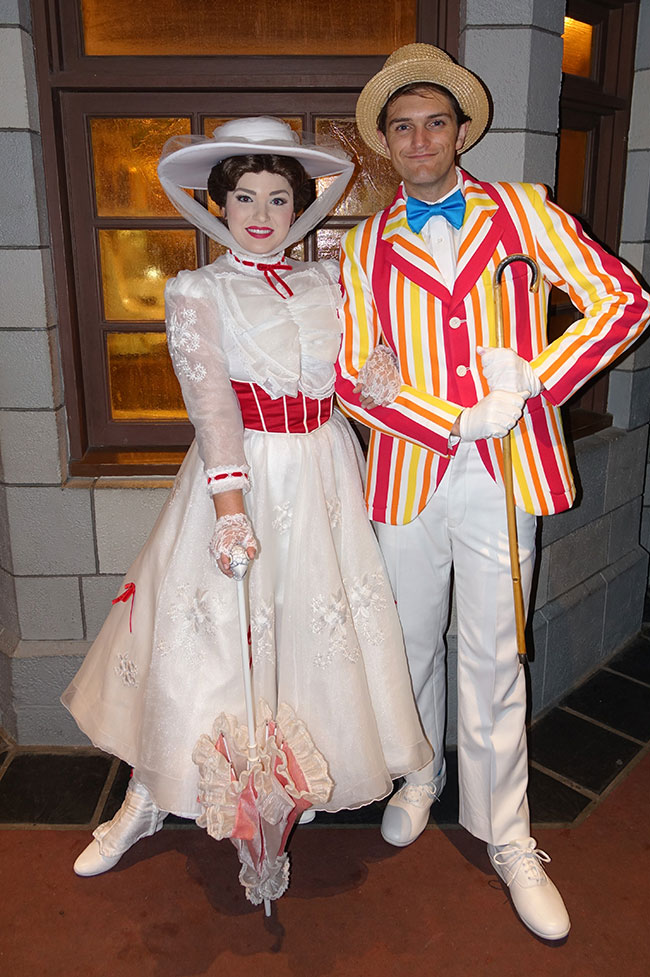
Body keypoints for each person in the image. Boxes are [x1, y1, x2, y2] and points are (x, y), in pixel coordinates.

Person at [336, 44, 650, 941]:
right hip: (409, 470)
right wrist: (449, 419)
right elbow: (357, 377)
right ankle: (418, 774)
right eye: (403, 126)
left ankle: (507, 831)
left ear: (462, 130)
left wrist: (534, 383)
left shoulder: (523, 213)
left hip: (505, 469)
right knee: (405, 640)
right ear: (386, 145)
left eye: (435, 121)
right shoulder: (363, 249)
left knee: (492, 649)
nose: (420, 137)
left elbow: (623, 303)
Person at [62, 116, 431, 878]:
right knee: (208, 644)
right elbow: (211, 403)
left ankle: (293, 786)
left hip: (326, 471)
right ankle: (149, 794)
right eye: (245, 198)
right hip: (244, 475)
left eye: (277, 198)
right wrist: (231, 508)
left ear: (298, 208)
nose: (262, 214)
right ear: (220, 206)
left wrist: (376, 375)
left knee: (307, 634)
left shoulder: (327, 280)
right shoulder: (199, 289)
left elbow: (348, 376)